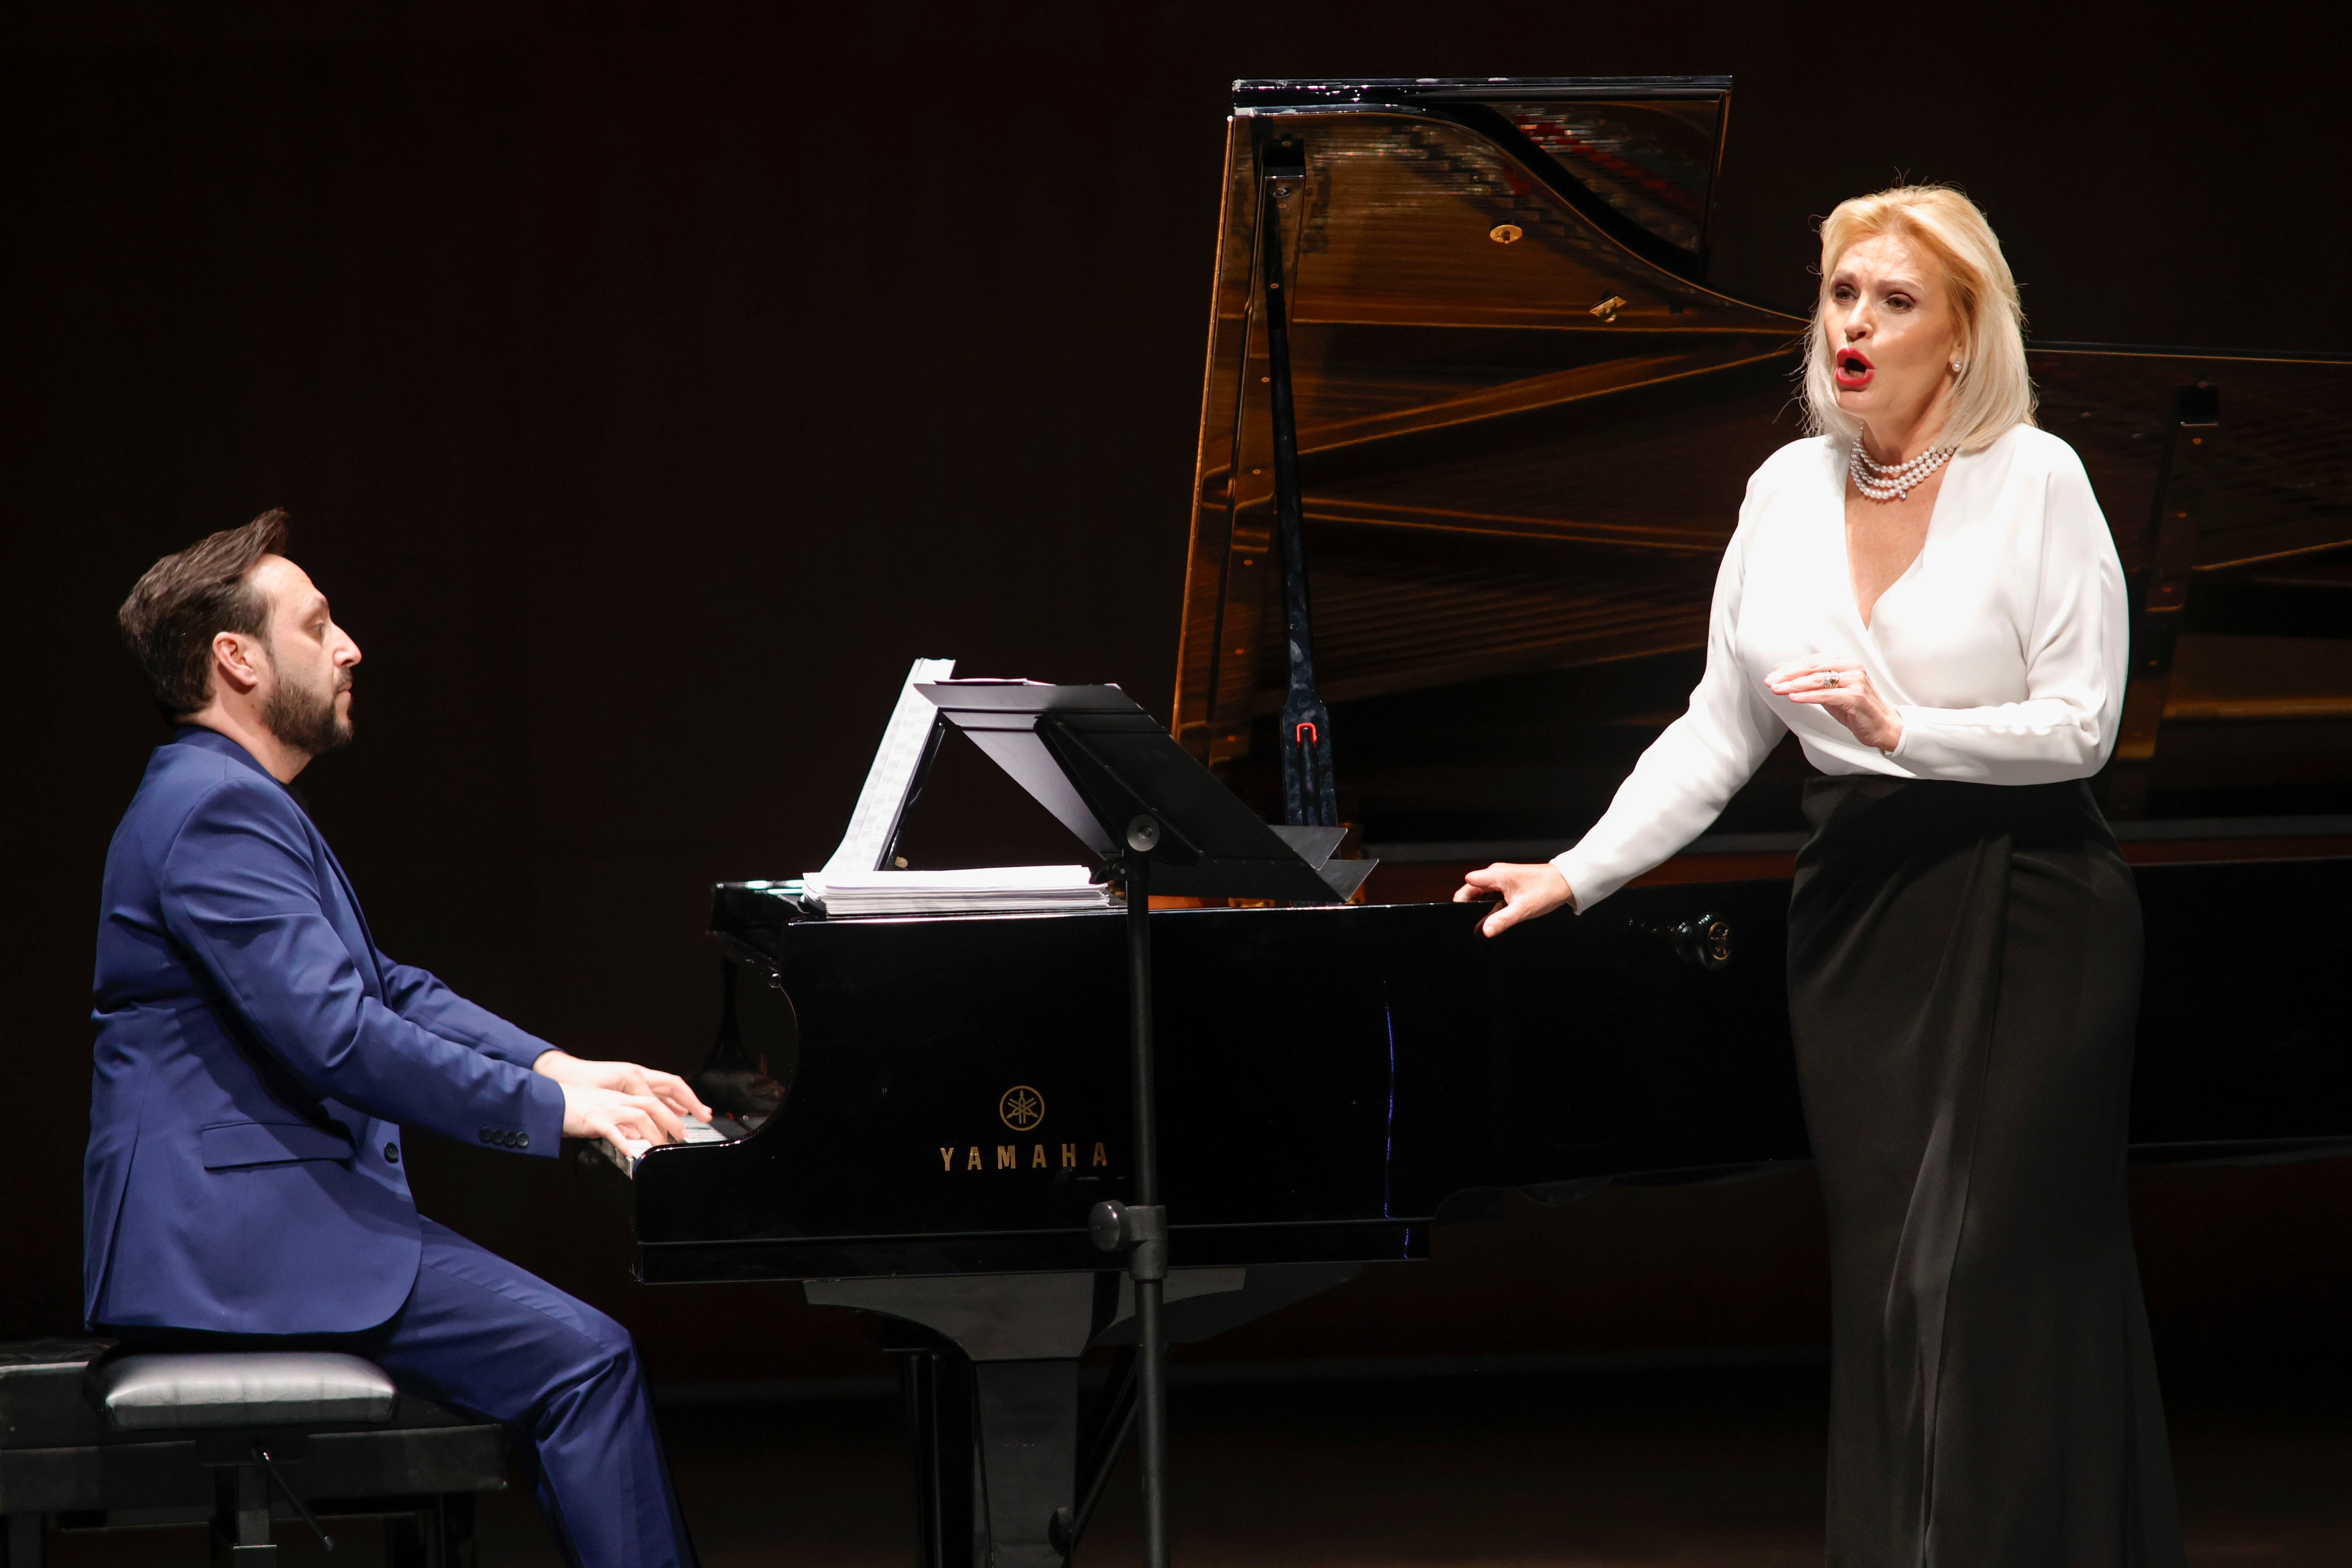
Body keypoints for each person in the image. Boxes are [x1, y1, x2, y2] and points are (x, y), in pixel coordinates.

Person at [1457, 186, 2182, 1565]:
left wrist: (1903, 727)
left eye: (1895, 300)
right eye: (1844, 293)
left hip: (2031, 898)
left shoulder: (2039, 478)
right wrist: (1578, 870)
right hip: (1857, 917)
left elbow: (2084, 725)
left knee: (1981, 1273)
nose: (1856, 322)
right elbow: (1720, 727)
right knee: (1895, 1290)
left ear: (1962, 335)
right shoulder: (1785, 490)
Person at [90, 510, 710, 1568]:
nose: (350, 646)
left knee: (579, 1353)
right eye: (318, 623)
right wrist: (553, 1114)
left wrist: (556, 1066)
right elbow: (339, 1036)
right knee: (585, 1360)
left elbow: (386, 987)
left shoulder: (230, 799)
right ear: (235, 658)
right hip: (241, 1243)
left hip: (269, 1224)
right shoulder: (213, 813)